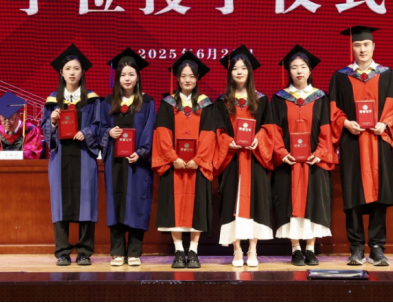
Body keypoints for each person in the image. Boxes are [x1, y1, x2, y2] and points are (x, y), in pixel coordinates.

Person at [329, 26, 393, 267]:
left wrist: (386, 123)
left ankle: (377, 248)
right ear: (352, 48)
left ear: (373, 46)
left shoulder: (387, 74)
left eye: (366, 45)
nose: (362, 49)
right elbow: (333, 108)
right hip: (352, 142)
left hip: (378, 141)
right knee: (353, 194)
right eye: (357, 45)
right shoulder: (341, 76)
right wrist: (345, 123)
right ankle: (355, 248)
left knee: (379, 194)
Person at [270, 46, 334, 267]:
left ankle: (311, 249)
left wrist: (320, 153)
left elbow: (327, 129)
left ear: (310, 70)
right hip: (288, 163)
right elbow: (273, 131)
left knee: (314, 203)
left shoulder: (321, 98)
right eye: (294, 67)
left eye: (303, 67)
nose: (299, 71)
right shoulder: (279, 99)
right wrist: (282, 153)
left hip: (313, 162)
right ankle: (296, 249)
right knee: (289, 204)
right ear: (288, 71)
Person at [152, 51, 217, 269]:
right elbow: (162, 133)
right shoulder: (167, 103)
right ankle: (179, 251)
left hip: (197, 166)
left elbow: (209, 135)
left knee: (197, 207)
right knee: (174, 208)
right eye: (183, 76)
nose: (187, 80)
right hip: (174, 166)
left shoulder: (206, 104)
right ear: (177, 78)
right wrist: (172, 157)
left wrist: (199, 159)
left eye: (191, 76)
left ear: (197, 78)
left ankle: (194, 251)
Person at [212, 45, 275, 268]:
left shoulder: (262, 100)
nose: (239, 72)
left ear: (250, 71)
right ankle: (237, 250)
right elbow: (217, 131)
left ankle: (253, 249)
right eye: (235, 68)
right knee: (232, 202)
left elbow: (269, 128)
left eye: (243, 68)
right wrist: (228, 142)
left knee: (256, 201)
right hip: (232, 160)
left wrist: (258, 139)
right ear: (230, 73)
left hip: (255, 160)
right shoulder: (221, 102)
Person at [94, 48, 157, 267]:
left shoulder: (147, 103)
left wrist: (141, 152)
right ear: (117, 78)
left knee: (138, 204)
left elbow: (149, 130)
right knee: (117, 203)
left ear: (138, 77)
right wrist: (108, 133)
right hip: (115, 162)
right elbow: (100, 128)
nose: (127, 78)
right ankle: (117, 251)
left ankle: (135, 252)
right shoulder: (107, 102)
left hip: (138, 163)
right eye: (123, 75)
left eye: (131, 74)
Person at [41, 44, 102, 266]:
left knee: (86, 201)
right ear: (61, 72)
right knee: (60, 202)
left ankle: (85, 251)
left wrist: (87, 132)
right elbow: (45, 129)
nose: (72, 72)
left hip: (84, 155)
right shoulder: (52, 100)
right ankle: (63, 251)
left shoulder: (93, 100)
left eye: (76, 68)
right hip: (60, 157)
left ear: (83, 72)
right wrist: (53, 121)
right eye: (68, 69)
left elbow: (100, 125)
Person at [0, 92, 43, 160]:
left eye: (11, 119)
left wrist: (6, 156)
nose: (7, 123)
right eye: (4, 119)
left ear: (19, 116)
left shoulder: (31, 131)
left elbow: (32, 155)